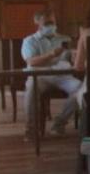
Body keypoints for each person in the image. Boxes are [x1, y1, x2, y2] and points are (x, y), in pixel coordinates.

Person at [21, 9, 81, 138]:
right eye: (47, 23)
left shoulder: (65, 39)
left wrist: (75, 55)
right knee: (31, 89)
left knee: (82, 89)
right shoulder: (30, 41)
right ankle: (31, 129)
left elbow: (73, 60)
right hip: (39, 75)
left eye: (52, 22)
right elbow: (31, 62)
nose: (51, 26)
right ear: (37, 22)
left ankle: (59, 123)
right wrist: (52, 54)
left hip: (62, 75)